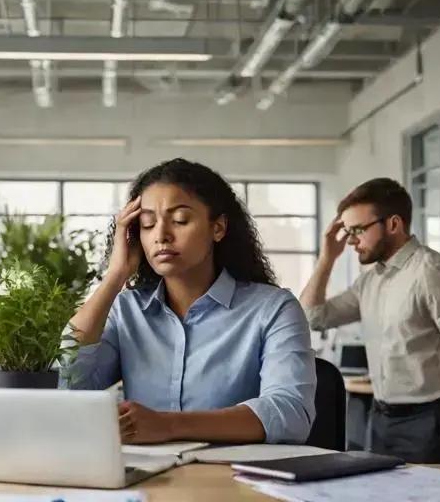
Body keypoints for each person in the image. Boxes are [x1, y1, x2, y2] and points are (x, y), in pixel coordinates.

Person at [61, 158, 316, 445]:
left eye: (180, 220)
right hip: (147, 479)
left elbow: (290, 415)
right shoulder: (127, 311)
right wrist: (114, 276)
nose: (161, 236)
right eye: (147, 224)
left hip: (234, 480)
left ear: (217, 228)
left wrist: (168, 425)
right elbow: (66, 385)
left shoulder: (273, 309)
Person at [300, 177, 440, 463]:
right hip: (380, 417)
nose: (351, 240)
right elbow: (312, 317)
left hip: (427, 422)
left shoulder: (430, 272)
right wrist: (327, 257)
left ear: (393, 224)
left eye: (357, 230)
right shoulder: (371, 279)